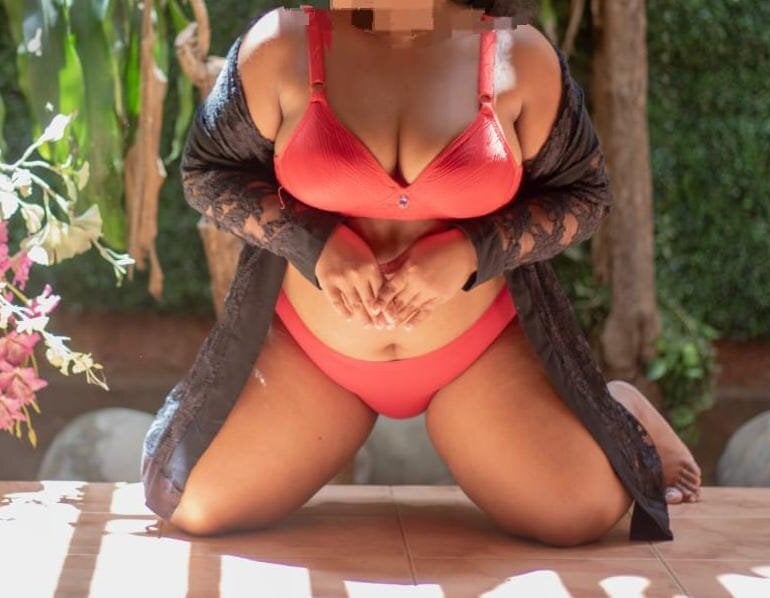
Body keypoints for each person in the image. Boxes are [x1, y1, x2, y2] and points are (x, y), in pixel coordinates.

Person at [140, 0, 701, 546]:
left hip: (478, 354)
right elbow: (208, 173)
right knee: (195, 503)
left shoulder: (516, 54)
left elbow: (584, 196)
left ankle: (619, 405)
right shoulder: (281, 45)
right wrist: (316, 243)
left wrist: (470, 250)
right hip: (312, 357)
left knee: (578, 514)